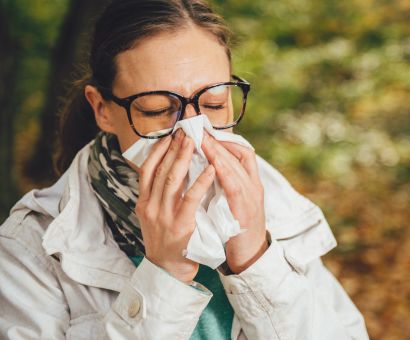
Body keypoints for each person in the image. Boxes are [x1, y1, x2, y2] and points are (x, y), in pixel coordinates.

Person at [0, 0, 368, 339]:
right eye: (157, 109)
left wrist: (256, 259)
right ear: (102, 110)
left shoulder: (272, 202)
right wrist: (165, 273)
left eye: (213, 103)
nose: (193, 132)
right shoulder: (29, 249)